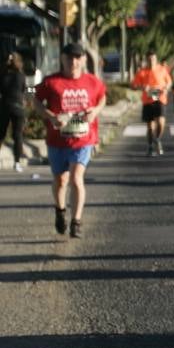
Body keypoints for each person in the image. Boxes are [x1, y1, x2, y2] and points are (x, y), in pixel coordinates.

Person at [34, 42, 106, 237]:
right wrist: (50, 116)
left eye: (77, 58)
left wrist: (95, 111)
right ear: (62, 60)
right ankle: (60, 211)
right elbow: (35, 99)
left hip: (83, 139)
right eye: (69, 58)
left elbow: (102, 98)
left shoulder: (92, 81)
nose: (73, 62)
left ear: (83, 60)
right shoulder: (51, 82)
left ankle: (77, 222)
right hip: (57, 140)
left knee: (76, 178)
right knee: (60, 179)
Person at [131, 51, 172, 155]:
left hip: (160, 98)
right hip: (148, 100)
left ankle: (157, 139)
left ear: (156, 59)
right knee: (150, 126)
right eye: (149, 59)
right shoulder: (142, 72)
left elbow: (169, 82)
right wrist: (143, 87)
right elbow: (134, 85)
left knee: (161, 123)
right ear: (146, 60)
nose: (151, 61)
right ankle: (150, 146)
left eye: (153, 59)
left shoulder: (162, 69)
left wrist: (166, 88)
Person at [1, 52, 28, 172]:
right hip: (18, 107)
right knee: (17, 136)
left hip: (4, 107)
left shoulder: (2, 75)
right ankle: (17, 162)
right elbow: (24, 90)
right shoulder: (21, 76)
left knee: (1, 133)